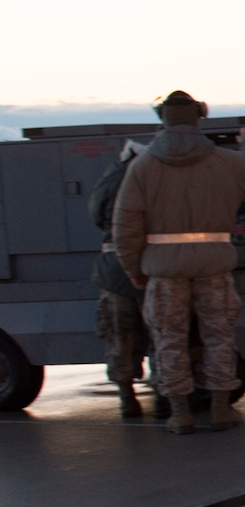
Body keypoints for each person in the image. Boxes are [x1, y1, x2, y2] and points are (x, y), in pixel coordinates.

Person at [113, 92, 245, 435]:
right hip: (213, 264)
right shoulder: (224, 160)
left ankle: (179, 413)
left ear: (163, 119)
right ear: (198, 116)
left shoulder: (142, 167)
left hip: (164, 269)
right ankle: (218, 408)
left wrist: (133, 269)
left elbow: (125, 226)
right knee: (218, 335)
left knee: (169, 339)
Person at [89, 140, 150, 419]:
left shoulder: (114, 176)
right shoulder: (156, 173)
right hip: (153, 265)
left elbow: (96, 212)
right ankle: (164, 397)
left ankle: (127, 397)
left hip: (114, 269)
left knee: (119, 335)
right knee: (163, 333)